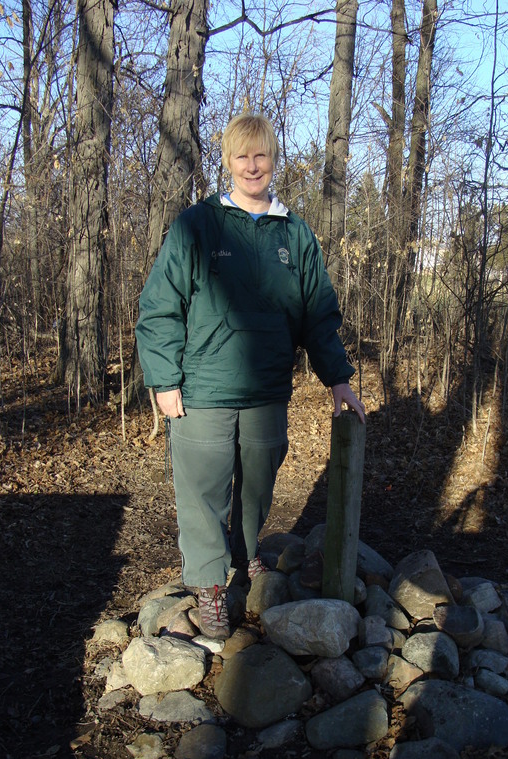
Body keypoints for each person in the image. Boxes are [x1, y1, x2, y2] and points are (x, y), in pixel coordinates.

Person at [136, 112, 365, 640]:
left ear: (273, 159)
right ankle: (211, 585)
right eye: (242, 156)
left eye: (260, 155)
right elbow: (160, 306)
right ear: (227, 160)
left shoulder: (295, 233)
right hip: (203, 389)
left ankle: (243, 553)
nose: (252, 165)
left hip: (266, 390)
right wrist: (165, 380)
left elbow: (318, 313)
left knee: (257, 485)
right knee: (203, 490)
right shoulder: (199, 225)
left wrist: (339, 380)